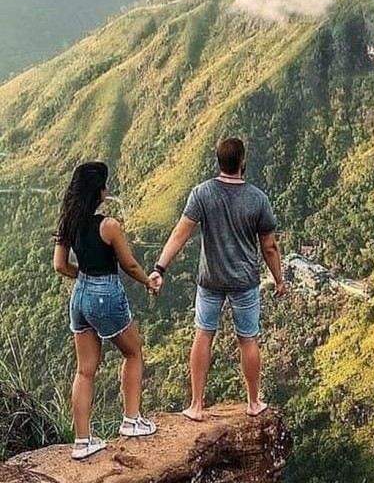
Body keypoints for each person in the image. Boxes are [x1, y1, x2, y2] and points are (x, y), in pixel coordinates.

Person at [148, 137, 287, 421]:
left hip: (209, 279)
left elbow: (179, 234)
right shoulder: (258, 198)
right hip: (244, 281)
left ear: (218, 162)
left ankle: (197, 405)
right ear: (243, 162)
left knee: (203, 334)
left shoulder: (202, 193)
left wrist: (159, 268)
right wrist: (279, 280)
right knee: (248, 340)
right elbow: (269, 246)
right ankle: (253, 402)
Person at [53, 161, 157, 461]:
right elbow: (129, 264)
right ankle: (131, 420)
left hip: (80, 295)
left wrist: (84, 276)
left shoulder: (67, 222)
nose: (107, 190)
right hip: (105, 293)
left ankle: (82, 442)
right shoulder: (108, 225)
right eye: (105, 185)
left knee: (85, 370)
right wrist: (147, 281)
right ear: (98, 191)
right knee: (134, 350)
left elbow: (60, 265)